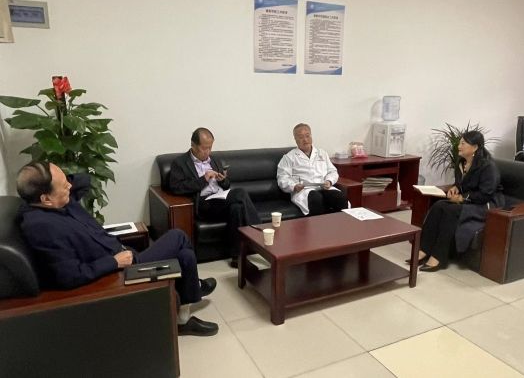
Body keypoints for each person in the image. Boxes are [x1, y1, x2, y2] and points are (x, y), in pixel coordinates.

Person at [16, 161, 218, 337]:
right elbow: (70, 276)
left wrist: (59, 178)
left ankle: (184, 314)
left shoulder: (57, 202)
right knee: (178, 236)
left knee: (185, 255)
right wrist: (114, 262)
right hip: (121, 272)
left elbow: (84, 180)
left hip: (122, 252)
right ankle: (192, 288)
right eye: (63, 185)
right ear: (45, 198)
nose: (69, 185)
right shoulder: (42, 227)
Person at [411, 130, 504, 272]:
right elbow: (463, 184)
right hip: (471, 201)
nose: (459, 146)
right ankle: (424, 250)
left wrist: (462, 198)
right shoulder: (461, 162)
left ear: (475, 147)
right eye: (460, 143)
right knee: (438, 205)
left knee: (450, 210)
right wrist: (456, 187)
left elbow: (486, 194)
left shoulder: (487, 166)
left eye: (463, 143)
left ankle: (438, 257)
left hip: (487, 205)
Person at [169, 127, 260, 268]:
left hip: (221, 198)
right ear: (193, 145)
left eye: (210, 148)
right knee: (241, 193)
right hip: (203, 203)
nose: (208, 152)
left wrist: (223, 180)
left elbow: (227, 185)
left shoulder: (214, 160)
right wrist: (204, 179)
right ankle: (258, 232)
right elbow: (177, 188)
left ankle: (237, 258)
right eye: (204, 148)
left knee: (237, 207)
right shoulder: (180, 163)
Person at [277, 123, 348, 215]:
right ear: (295, 139)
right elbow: (283, 178)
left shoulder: (322, 153)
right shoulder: (289, 157)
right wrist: (294, 186)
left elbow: (332, 171)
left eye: (307, 135)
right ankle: (317, 224)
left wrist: (329, 181)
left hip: (324, 187)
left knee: (339, 197)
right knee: (315, 198)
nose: (305, 140)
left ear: (311, 136)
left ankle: (341, 223)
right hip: (304, 191)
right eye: (301, 137)